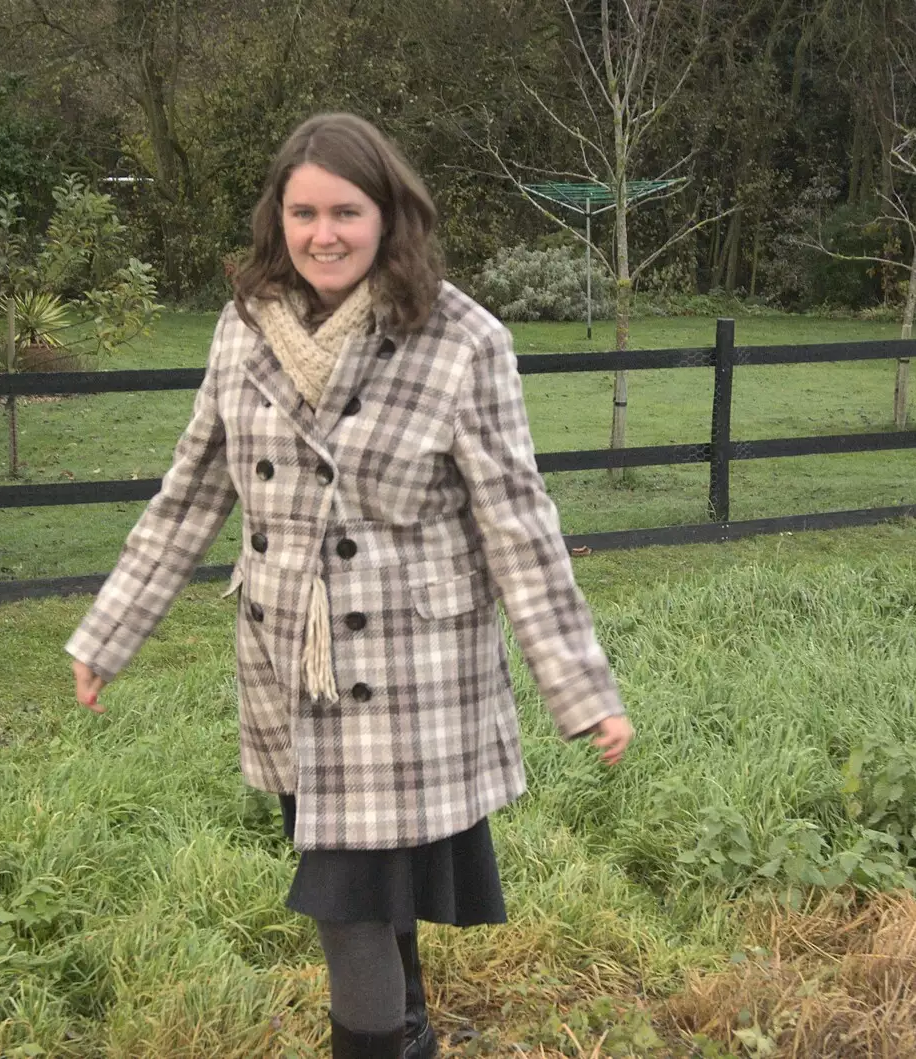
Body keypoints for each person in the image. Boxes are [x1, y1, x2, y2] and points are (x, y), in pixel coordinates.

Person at [67, 112, 632, 1059]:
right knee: (369, 896)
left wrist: (583, 693)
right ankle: (409, 1040)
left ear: (388, 216)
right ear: (276, 219)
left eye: (346, 211)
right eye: (303, 212)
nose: (323, 234)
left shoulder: (461, 339)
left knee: (350, 905)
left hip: (413, 680)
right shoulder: (243, 330)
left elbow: (518, 525)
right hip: (291, 669)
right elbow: (190, 494)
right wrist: (105, 635)